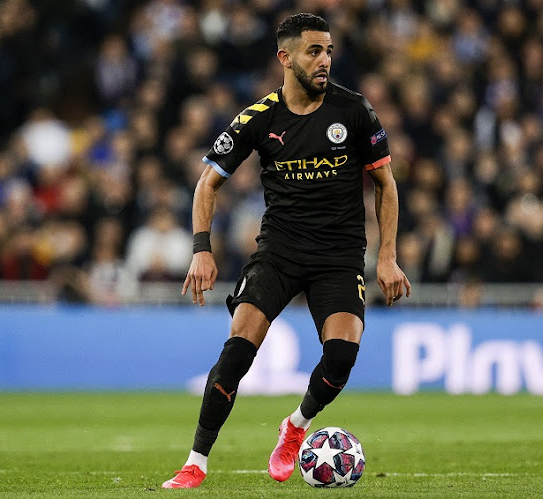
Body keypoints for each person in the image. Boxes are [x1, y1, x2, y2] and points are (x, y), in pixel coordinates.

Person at [162, 13, 411, 489]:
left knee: (340, 357)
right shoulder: (258, 118)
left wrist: (387, 256)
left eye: (329, 51)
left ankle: (295, 426)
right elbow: (207, 183)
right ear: (286, 57)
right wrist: (201, 249)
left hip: (338, 255)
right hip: (278, 252)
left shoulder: (355, 111)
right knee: (236, 354)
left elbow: (385, 183)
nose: (324, 61)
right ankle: (196, 461)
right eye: (314, 52)